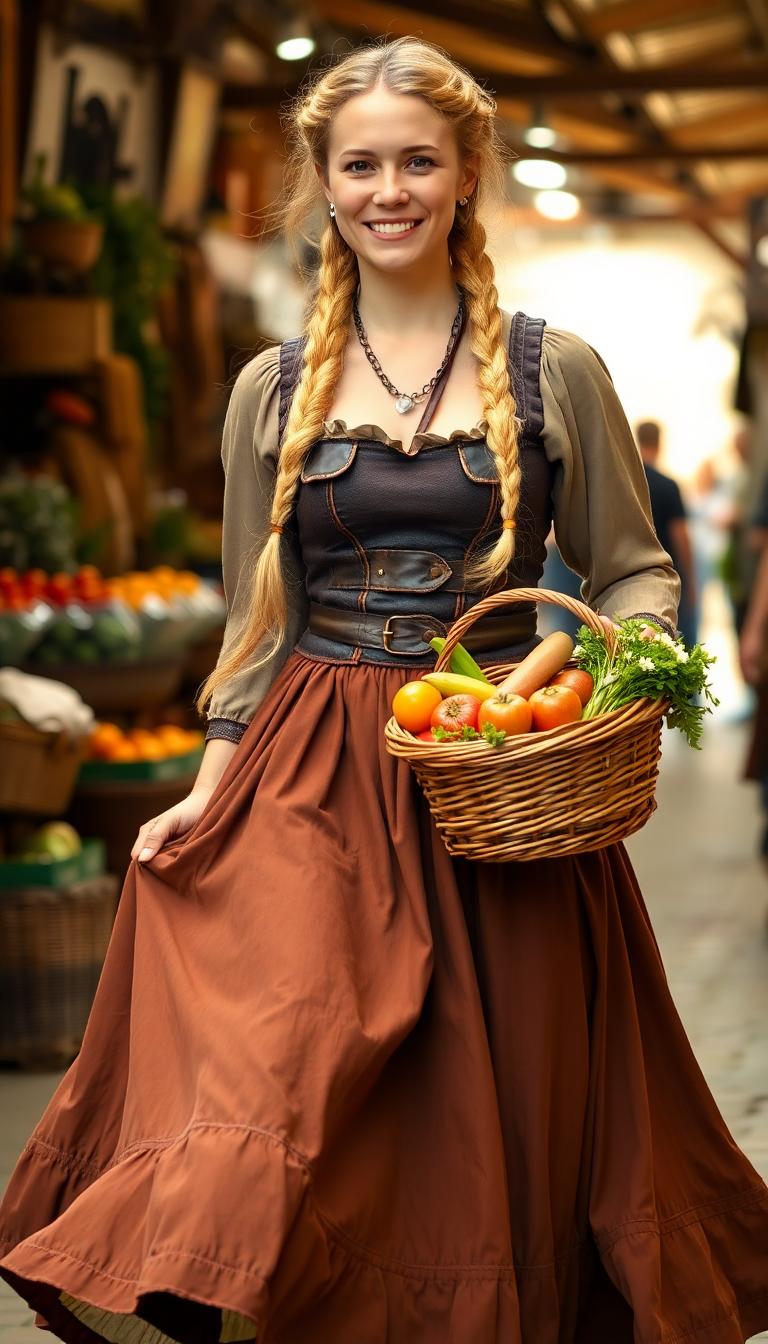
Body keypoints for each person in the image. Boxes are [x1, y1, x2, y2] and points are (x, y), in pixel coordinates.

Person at [2, 38, 767, 1344]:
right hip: (313, 765)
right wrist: (205, 794)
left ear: (468, 173)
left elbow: (637, 578)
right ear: (325, 181)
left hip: (494, 773)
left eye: (418, 159)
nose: (389, 188)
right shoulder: (273, 391)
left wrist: (583, 685)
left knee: (489, 1106)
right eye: (360, 164)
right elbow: (258, 628)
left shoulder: (553, 370)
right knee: (285, 1055)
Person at [634, 419, 698, 648]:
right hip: (669, 574)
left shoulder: (629, 485)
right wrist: (690, 580)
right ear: (659, 443)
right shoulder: (668, 485)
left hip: (635, 577)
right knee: (678, 646)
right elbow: (681, 536)